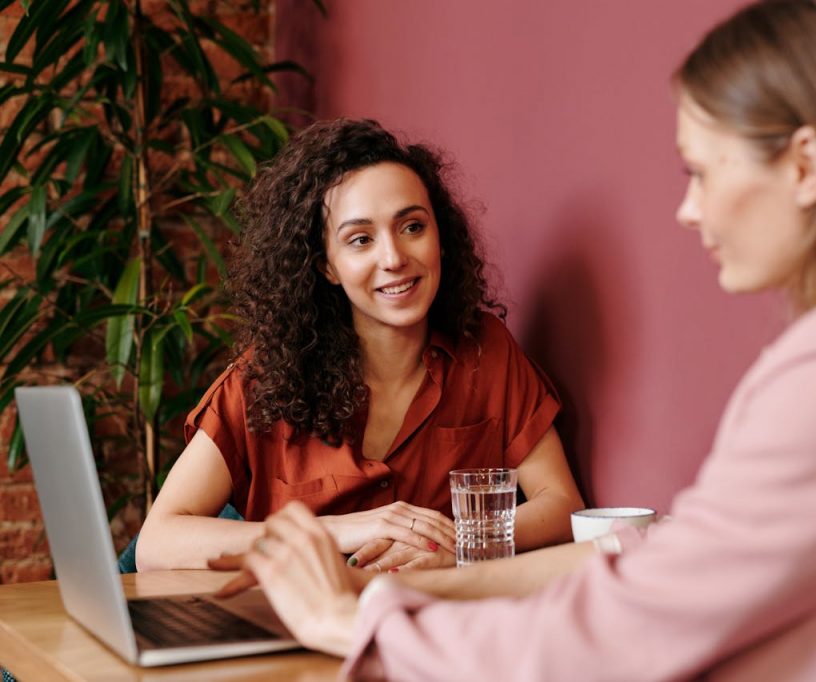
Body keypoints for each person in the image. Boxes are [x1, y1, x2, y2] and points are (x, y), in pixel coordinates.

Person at [210, 1, 816, 679]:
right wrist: (416, 593)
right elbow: (655, 568)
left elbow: (632, 625)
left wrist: (361, 626)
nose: (690, 210)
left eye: (701, 172)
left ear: (806, 165)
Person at [136, 119, 584, 573]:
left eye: (412, 227)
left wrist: (453, 546)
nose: (393, 258)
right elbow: (157, 542)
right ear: (326, 266)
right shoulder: (264, 378)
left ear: (440, 239)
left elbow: (563, 504)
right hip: (292, 633)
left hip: (425, 626)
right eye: (360, 239)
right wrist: (345, 529)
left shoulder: (485, 352)